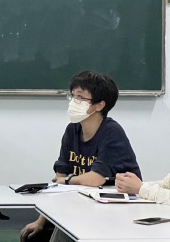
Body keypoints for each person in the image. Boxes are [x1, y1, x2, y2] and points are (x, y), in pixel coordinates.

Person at [20, 71, 141, 241]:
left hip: (115, 210)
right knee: (35, 235)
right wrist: (40, 221)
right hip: (80, 206)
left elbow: (95, 179)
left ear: (99, 105)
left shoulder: (112, 132)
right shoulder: (73, 130)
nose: (73, 102)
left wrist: (67, 180)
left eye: (80, 97)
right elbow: (59, 180)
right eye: (72, 96)